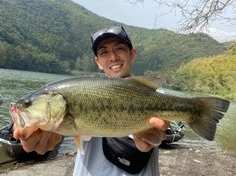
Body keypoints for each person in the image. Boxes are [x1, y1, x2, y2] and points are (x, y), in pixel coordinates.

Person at [13, 25, 169, 175]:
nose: (113, 57)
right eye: (104, 52)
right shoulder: (83, 91)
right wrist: (30, 138)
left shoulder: (155, 95)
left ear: (132, 54)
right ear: (98, 62)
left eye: (119, 48)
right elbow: (37, 137)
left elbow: (155, 136)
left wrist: (151, 140)